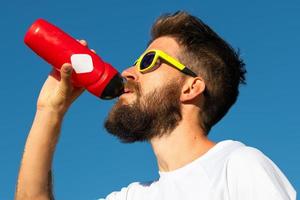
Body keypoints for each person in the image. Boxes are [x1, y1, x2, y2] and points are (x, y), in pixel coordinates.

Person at [15, 11, 296, 200]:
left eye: (148, 62)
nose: (127, 72)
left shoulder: (236, 166)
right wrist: (49, 112)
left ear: (191, 87)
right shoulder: (134, 195)